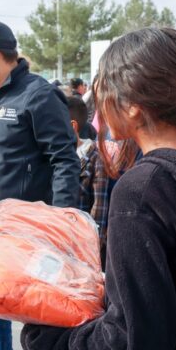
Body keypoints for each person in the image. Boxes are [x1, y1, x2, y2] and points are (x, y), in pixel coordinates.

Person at [21, 28, 176, 350]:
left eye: (104, 92)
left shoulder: (143, 190)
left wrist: (49, 338)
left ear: (133, 105)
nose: (99, 109)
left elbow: (130, 340)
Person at [0, 18, 79, 350]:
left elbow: (64, 160)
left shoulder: (39, 95)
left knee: (43, 316)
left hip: (34, 232)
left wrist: (65, 224)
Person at [67, 97, 109, 266]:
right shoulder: (51, 155)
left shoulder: (95, 158)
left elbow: (99, 213)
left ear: (72, 126)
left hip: (81, 250)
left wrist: (88, 256)